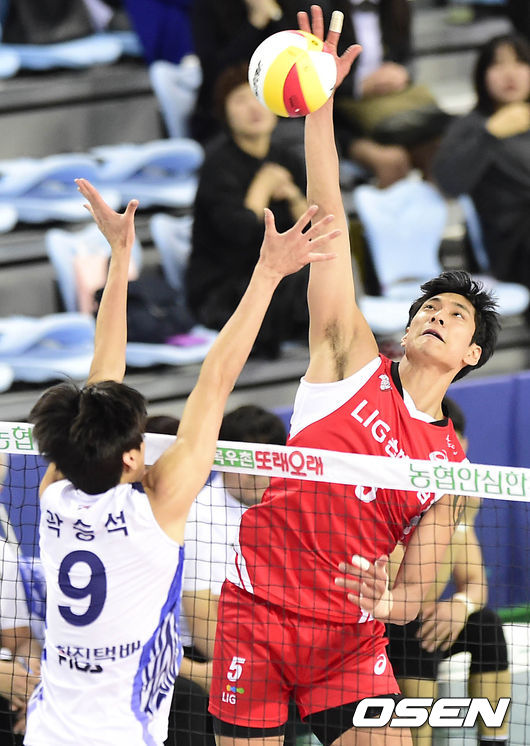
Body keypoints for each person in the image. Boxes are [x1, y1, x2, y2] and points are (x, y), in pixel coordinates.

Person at [208, 7, 500, 746]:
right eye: (429, 306)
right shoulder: (349, 364)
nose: (436, 315)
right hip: (260, 613)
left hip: (348, 639)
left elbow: (415, 592)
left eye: (455, 316)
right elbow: (327, 221)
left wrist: (390, 603)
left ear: (470, 355)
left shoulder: (451, 465)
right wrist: (320, 106)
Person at [23, 178, 340, 746]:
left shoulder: (54, 495)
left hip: (49, 731)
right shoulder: (157, 507)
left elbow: (101, 380)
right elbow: (214, 379)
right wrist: (268, 272)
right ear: (131, 458)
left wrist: (120, 256)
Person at [386, 396, 511, 746]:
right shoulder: (396, 490)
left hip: (422, 618)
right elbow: (402, 589)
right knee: (415, 629)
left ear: (464, 445)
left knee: (486, 625)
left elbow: (475, 582)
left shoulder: (462, 499)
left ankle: (494, 741)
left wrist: (460, 605)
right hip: (383, 622)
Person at [186, 63, 310, 359]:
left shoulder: (288, 159)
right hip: (225, 289)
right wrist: (262, 187)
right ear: (225, 113)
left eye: (259, 98)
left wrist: (294, 196)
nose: (253, 108)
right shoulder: (217, 166)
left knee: (329, 266)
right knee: (307, 280)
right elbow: (238, 235)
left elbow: (316, 230)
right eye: (240, 100)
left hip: (277, 279)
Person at [433, 33, 530, 291]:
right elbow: (449, 183)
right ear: (482, 75)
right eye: (498, 64)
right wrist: (490, 135)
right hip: (507, 240)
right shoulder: (471, 127)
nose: (510, 74)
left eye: (520, 63)